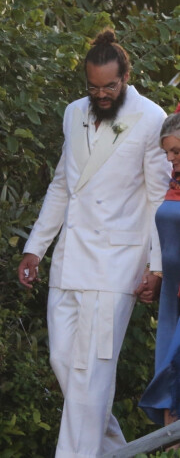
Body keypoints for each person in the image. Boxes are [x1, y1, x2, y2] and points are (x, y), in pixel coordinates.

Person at [17, 28, 170, 458]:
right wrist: (36, 248)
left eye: (110, 86)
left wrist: (157, 269)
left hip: (117, 265)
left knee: (90, 377)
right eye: (93, 87)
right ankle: (115, 453)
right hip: (69, 261)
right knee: (65, 366)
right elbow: (62, 186)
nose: (101, 94)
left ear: (126, 77)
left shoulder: (150, 117)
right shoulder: (72, 114)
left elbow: (159, 199)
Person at [139, 111, 180, 430]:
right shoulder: (174, 184)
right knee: (169, 379)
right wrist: (156, 271)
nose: (170, 159)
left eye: (177, 151)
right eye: (167, 151)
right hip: (172, 299)